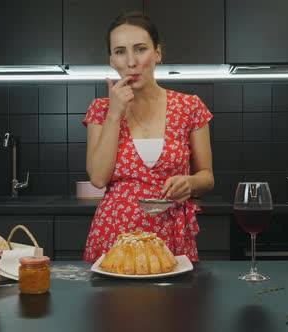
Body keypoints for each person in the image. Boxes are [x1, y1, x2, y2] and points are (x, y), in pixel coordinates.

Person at [82, 11, 214, 262]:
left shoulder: (190, 107)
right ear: (112, 59)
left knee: (176, 302)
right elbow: (98, 178)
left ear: (158, 53)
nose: (131, 61)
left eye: (140, 49)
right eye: (120, 51)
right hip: (114, 236)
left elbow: (207, 176)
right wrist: (114, 114)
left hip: (171, 236)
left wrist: (191, 183)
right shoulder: (101, 110)